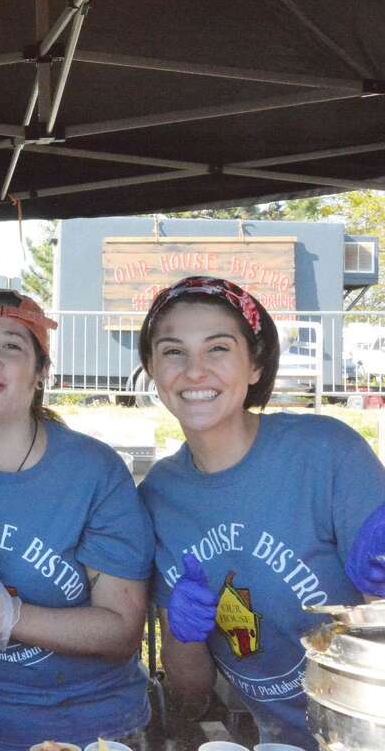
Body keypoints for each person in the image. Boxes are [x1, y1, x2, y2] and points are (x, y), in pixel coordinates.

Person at [136, 276, 385, 751]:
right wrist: (185, 634)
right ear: (151, 368)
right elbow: (190, 694)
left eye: (218, 349)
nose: (194, 371)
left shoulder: (326, 453)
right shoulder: (159, 496)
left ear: (255, 364)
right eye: (173, 352)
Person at [0, 289, 153, 751]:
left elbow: (121, 631)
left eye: (12, 346)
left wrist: (6, 616)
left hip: (89, 730)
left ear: (41, 373)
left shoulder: (94, 472)